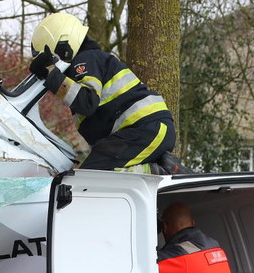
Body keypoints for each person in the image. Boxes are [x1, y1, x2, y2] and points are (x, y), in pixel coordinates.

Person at [28, 12, 177, 172]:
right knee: (94, 175)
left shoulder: (86, 59)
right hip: (144, 130)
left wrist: (51, 74)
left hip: (145, 129)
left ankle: (161, 171)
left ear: (64, 48)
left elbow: (87, 102)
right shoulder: (93, 61)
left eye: (51, 60)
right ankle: (161, 168)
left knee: (93, 176)